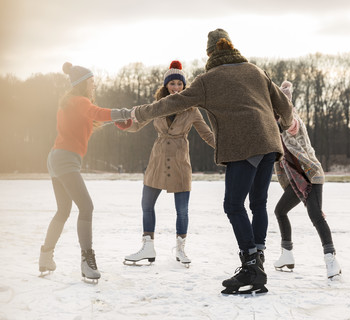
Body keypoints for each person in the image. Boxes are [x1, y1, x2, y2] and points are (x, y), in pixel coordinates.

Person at [120, 29, 294, 294]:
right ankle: (257, 263)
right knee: (258, 204)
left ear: (210, 53)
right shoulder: (256, 71)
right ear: (232, 47)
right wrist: (283, 125)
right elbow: (286, 107)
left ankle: (250, 265)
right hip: (269, 144)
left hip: (242, 146)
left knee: (234, 205)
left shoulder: (208, 80)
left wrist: (138, 113)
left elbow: (170, 104)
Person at [39, 62, 132, 281]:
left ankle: (45, 257)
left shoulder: (70, 103)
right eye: (91, 82)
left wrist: (117, 119)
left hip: (56, 157)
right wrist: (125, 113)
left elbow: (92, 118)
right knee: (86, 207)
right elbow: (97, 112)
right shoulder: (79, 101)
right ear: (82, 84)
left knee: (63, 210)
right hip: (65, 159)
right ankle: (87, 261)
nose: (94, 86)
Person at [117, 61, 215, 267]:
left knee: (182, 210)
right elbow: (137, 124)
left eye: (180, 84)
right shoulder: (157, 107)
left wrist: (228, 149)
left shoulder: (192, 110)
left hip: (180, 161)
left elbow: (207, 134)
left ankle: (181, 249)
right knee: (147, 205)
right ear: (166, 86)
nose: (176, 88)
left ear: (184, 86)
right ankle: (147, 247)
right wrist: (124, 123)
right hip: (158, 160)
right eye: (172, 84)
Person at [273, 81, 342, 279]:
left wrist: (284, 108)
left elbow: (291, 126)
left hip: (311, 174)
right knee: (280, 211)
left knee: (315, 215)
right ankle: (286, 254)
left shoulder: (292, 121)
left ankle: (331, 260)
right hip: (296, 179)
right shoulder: (274, 126)